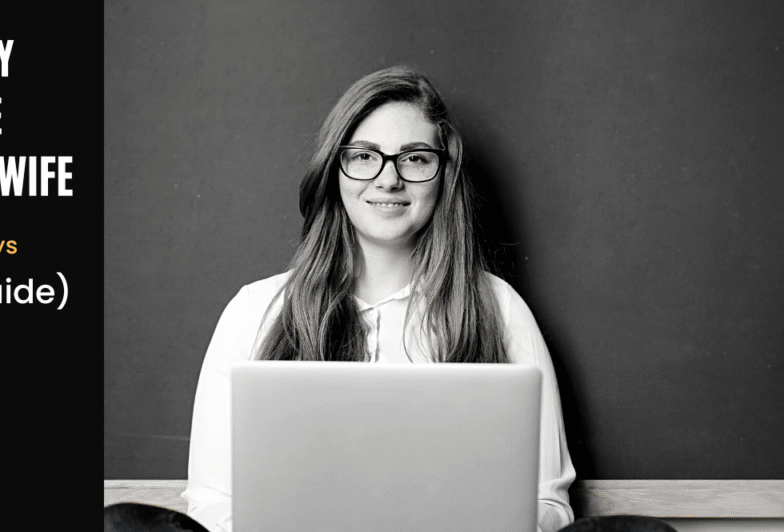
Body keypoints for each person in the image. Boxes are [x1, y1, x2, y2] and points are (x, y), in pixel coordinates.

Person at [105, 66, 676, 532]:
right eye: (364, 155)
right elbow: (212, 500)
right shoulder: (255, 311)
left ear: (442, 175)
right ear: (336, 170)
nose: (389, 179)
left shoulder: (497, 309)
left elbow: (548, 505)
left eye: (415, 158)